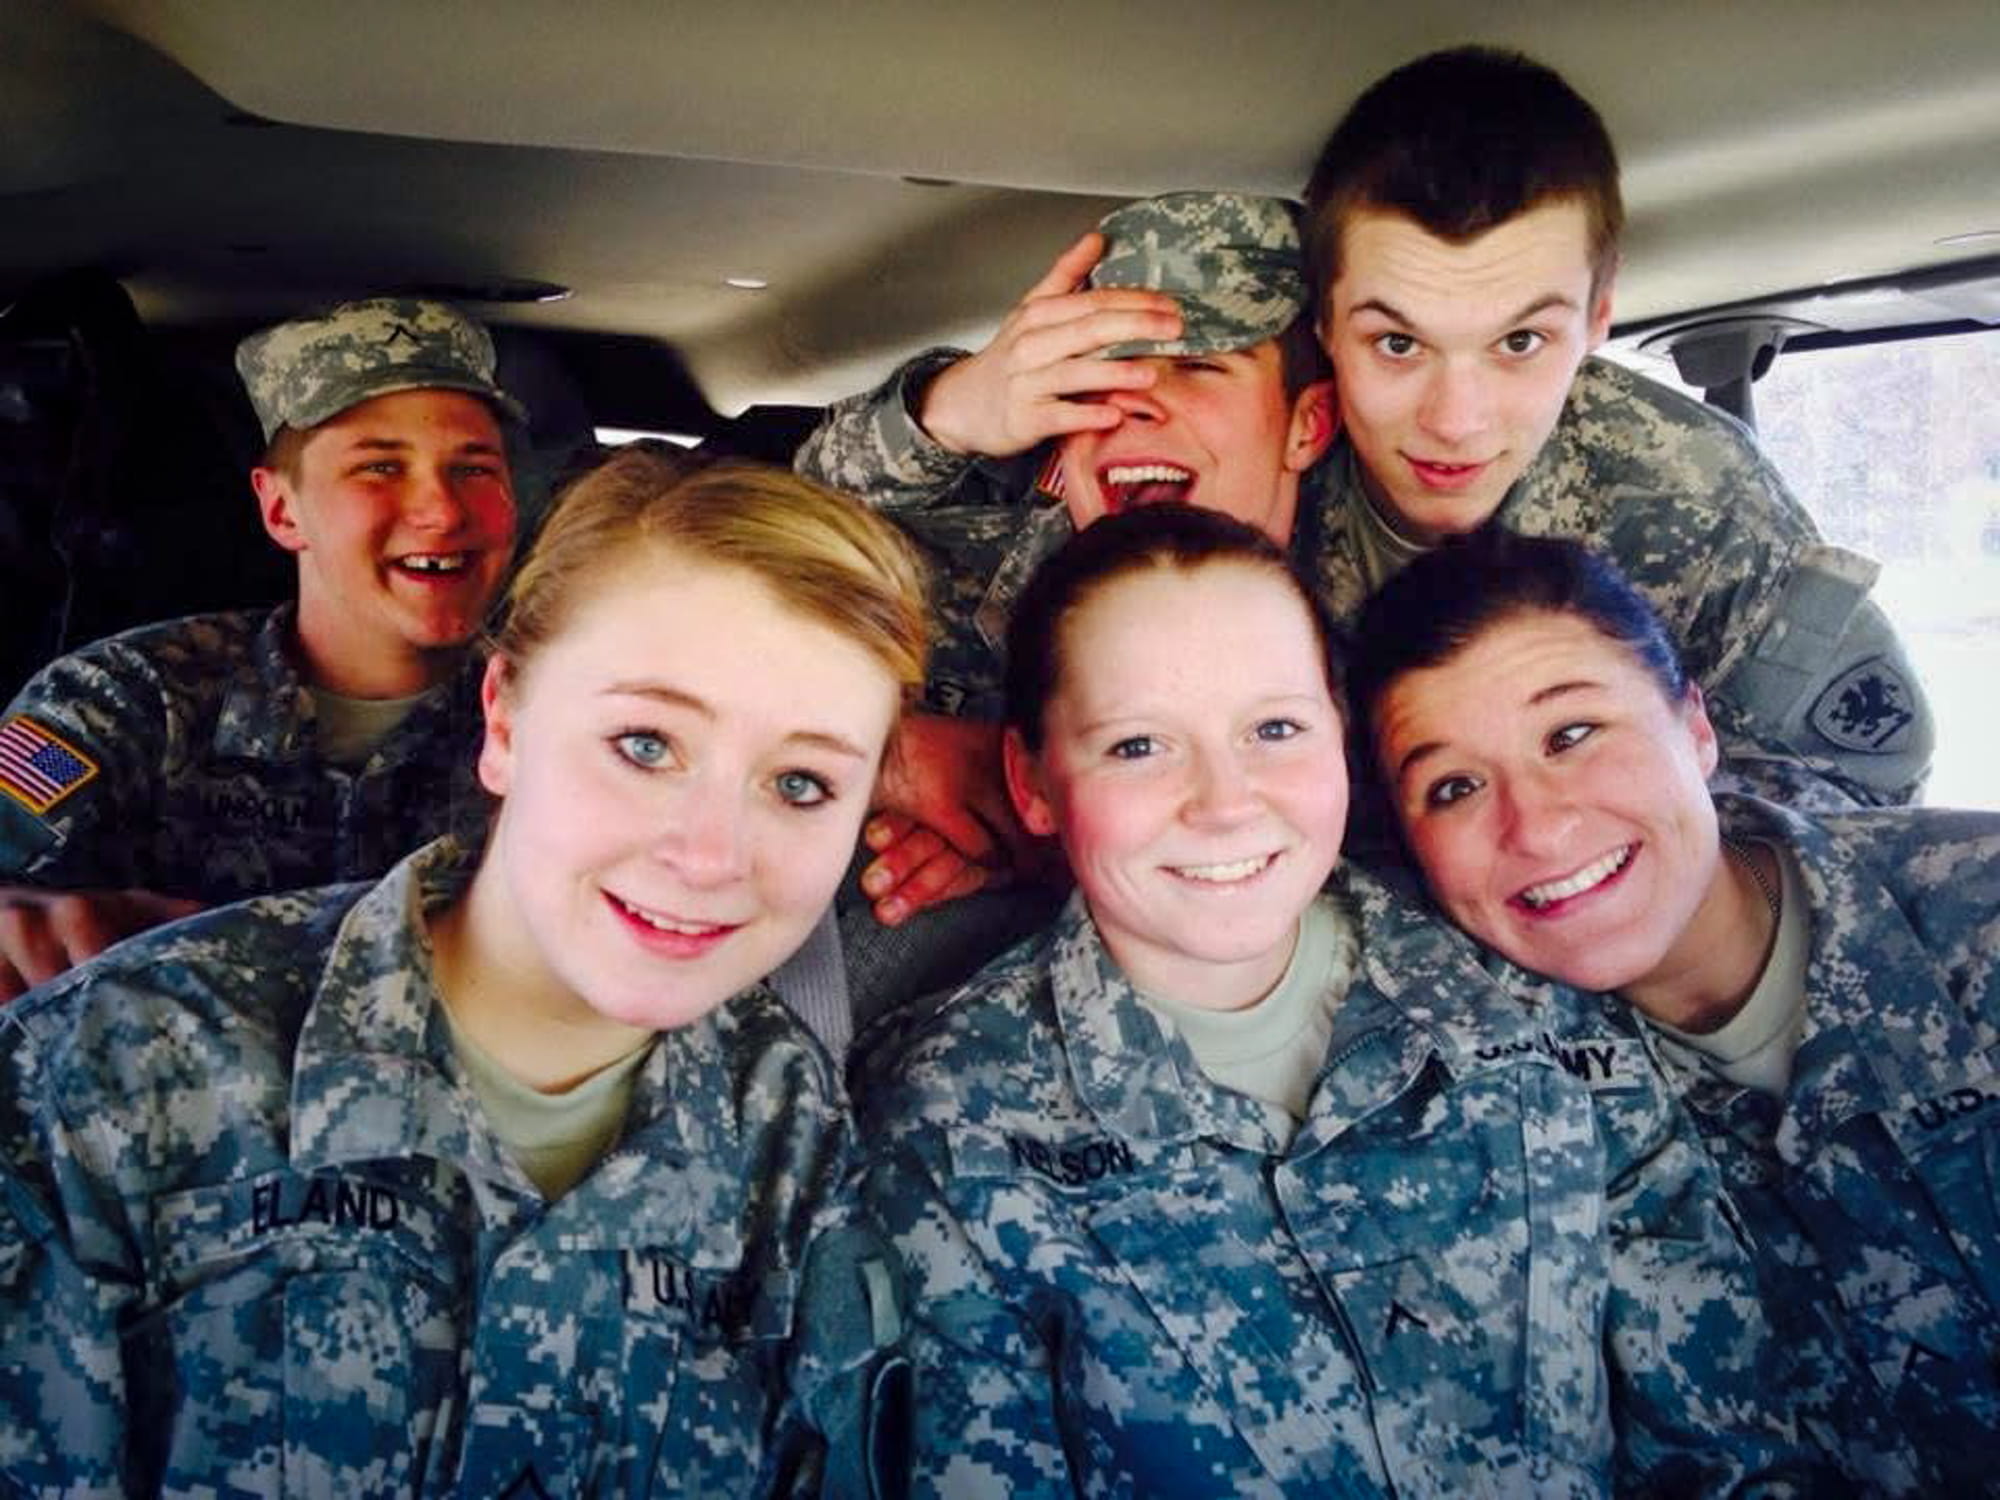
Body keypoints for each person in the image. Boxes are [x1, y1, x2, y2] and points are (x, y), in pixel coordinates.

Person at [0, 453, 928, 1493]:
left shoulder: (796, 1133)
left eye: (799, 782)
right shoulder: (106, 1072)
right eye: (644, 744)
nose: (710, 854)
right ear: (501, 723)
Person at [853, 504, 1810, 1496]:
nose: (1224, 801)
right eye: (1137, 746)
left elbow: (1730, 1444)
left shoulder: (1521, 993)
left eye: (1274, 728)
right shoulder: (952, 1117)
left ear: (1338, 742)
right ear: (1033, 779)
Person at [1348, 530, 2000, 1495]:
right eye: (1454, 788)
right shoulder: (1499, 1101)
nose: (1537, 825)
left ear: (1696, 730)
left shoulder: (1977, 922)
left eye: (1572, 735)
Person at [1302, 45, 1931, 814]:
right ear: (1324, 325)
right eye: (1397, 344)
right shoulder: (1254, 457)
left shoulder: (1696, 498)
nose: (1455, 422)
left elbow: (1866, 783)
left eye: (1521, 342)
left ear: (1598, 318)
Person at [799, 191, 1336, 932]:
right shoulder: (952, 581)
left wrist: (1060, 846)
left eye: (1200, 367)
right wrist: (884, 755)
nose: (1136, 400)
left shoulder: (1378, 614)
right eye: (1101, 369)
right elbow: (765, 550)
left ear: (1308, 426)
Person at [0, 296, 521, 999]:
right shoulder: (120, 698)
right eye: (380, 468)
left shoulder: (561, 716)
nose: (442, 510)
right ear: (281, 510)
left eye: (474, 469)